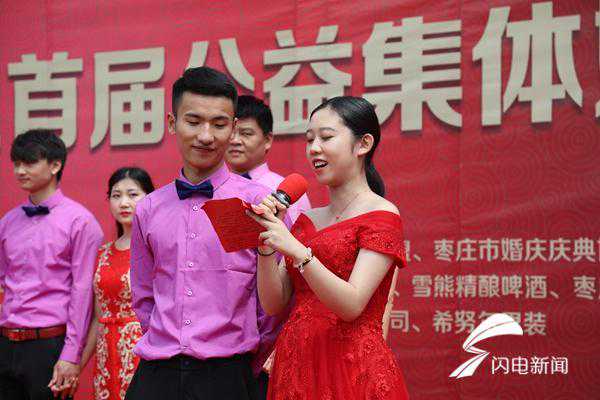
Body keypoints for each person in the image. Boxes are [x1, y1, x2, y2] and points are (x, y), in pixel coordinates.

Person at [126, 67, 287, 400]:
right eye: (194, 121)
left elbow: (272, 305)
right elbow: (143, 295)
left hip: (227, 374)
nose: (206, 136)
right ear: (172, 123)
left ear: (233, 128)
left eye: (219, 124)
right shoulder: (149, 208)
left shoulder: (258, 204)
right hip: (157, 373)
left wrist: (243, 365)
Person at [247, 96, 410, 399]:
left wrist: (298, 252)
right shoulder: (307, 220)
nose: (314, 148)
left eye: (326, 137)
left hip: (352, 366)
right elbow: (273, 303)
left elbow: (352, 304)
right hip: (298, 362)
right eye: (310, 139)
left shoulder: (383, 215)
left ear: (363, 144)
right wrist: (267, 244)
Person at [0, 129, 103, 400]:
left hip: (49, 345)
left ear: (55, 165)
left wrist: (71, 355)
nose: (20, 171)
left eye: (29, 162)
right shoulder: (7, 222)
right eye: (16, 163)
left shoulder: (80, 222)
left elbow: (82, 292)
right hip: (6, 343)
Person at [79, 167, 155, 400]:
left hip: (143, 352)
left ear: (149, 198)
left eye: (133, 195)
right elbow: (98, 317)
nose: (124, 203)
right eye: (116, 195)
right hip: (106, 355)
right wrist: (77, 364)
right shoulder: (102, 253)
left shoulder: (157, 249)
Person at [226, 95, 311, 223]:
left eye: (246, 133)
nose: (235, 140)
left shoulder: (288, 193)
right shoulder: (211, 188)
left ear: (267, 140)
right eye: (230, 132)